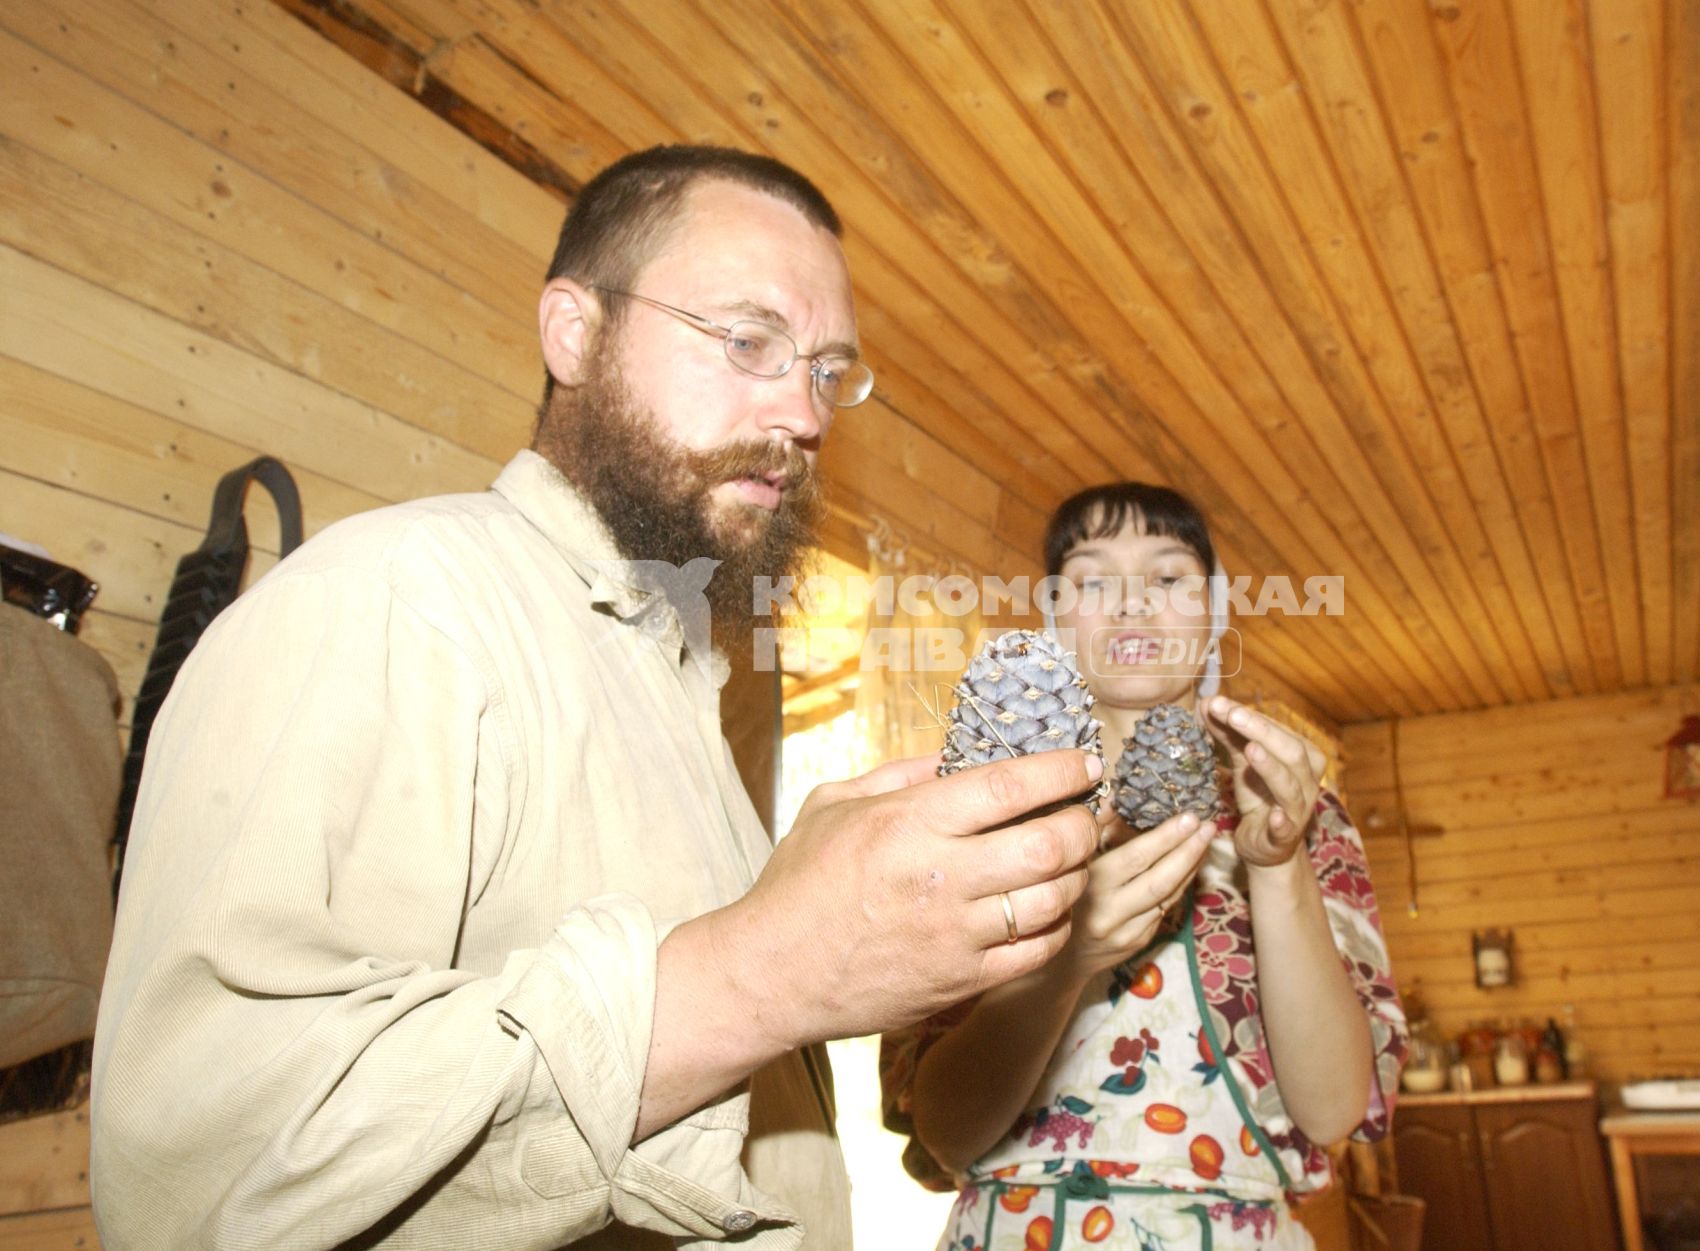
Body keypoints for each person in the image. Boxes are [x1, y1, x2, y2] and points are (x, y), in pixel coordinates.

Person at [90, 146, 1102, 1250]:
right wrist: (774, 969)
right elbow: (196, 1180)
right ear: (574, 333)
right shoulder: (394, 600)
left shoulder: (675, 680)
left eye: (826, 371)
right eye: (749, 341)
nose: (806, 416)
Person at [881, 484, 1408, 1250]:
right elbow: (949, 1133)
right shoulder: (985, 815)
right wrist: (1067, 965)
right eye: (1093, 580)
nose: (1131, 604)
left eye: (1167, 577)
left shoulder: (1301, 811)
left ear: (1215, 615)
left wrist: (1277, 864)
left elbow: (1331, 1110)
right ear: (1056, 619)